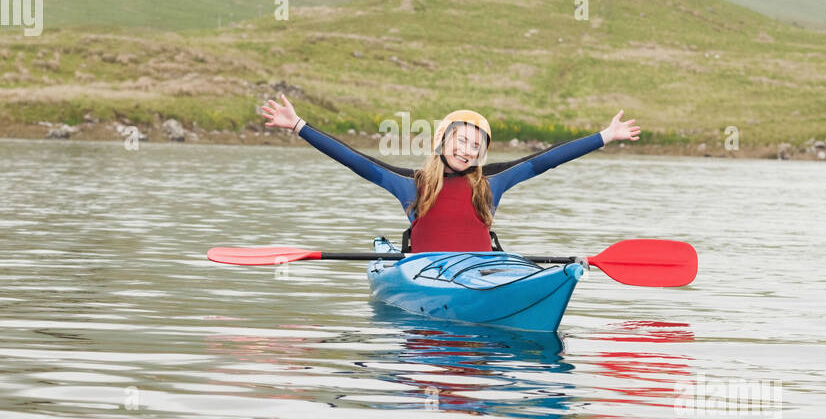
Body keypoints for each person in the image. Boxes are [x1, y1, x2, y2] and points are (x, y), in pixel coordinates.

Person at [259, 97, 640, 252]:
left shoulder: (492, 183)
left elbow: (547, 159)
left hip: (480, 274)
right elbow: (353, 158)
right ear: (442, 141)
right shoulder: (411, 184)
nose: (468, 150)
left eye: (477, 146)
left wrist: (606, 136)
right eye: (461, 141)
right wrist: (298, 126)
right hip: (423, 274)